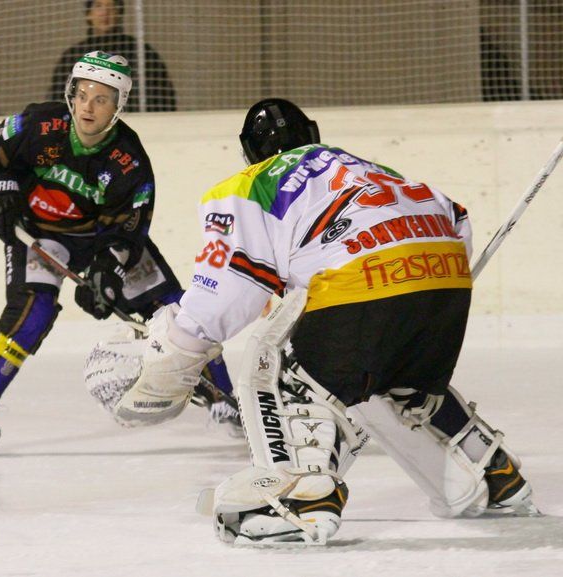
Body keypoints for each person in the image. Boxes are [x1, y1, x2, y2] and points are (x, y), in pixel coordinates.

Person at [93, 98, 539, 545]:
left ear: (248, 151)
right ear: (312, 134)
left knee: (279, 371)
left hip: (365, 281)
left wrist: (179, 348)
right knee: (399, 385)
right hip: (444, 281)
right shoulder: (375, 171)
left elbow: (228, 289)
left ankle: (300, 499)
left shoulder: (251, 183)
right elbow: (455, 216)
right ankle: (491, 475)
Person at [0, 51, 234, 455]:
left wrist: (108, 270)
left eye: (101, 99)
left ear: (118, 106)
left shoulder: (129, 160)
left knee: (173, 309)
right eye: (82, 95)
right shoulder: (39, 124)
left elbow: (130, 230)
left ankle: (225, 401)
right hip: (40, 235)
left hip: (102, 239)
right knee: (31, 315)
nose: (88, 107)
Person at [48, 0, 176, 112]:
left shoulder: (141, 52)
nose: (105, 12)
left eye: (112, 7)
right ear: (88, 14)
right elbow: (59, 96)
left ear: (119, 14)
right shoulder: (73, 55)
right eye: (98, 6)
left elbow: (163, 96)